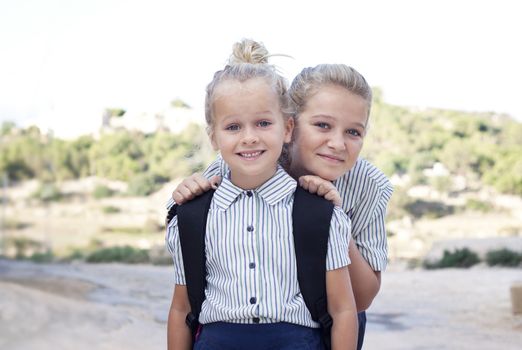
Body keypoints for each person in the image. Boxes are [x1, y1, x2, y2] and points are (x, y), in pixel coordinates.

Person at [170, 60, 393, 349]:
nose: (338, 143)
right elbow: (188, 222)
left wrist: (331, 220)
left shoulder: (368, 184)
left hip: (325, 315)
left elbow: (361, 298)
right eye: (322, 125)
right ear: (290, 125)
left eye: (354, 132)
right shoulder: (250, 157)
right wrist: (186, 189)